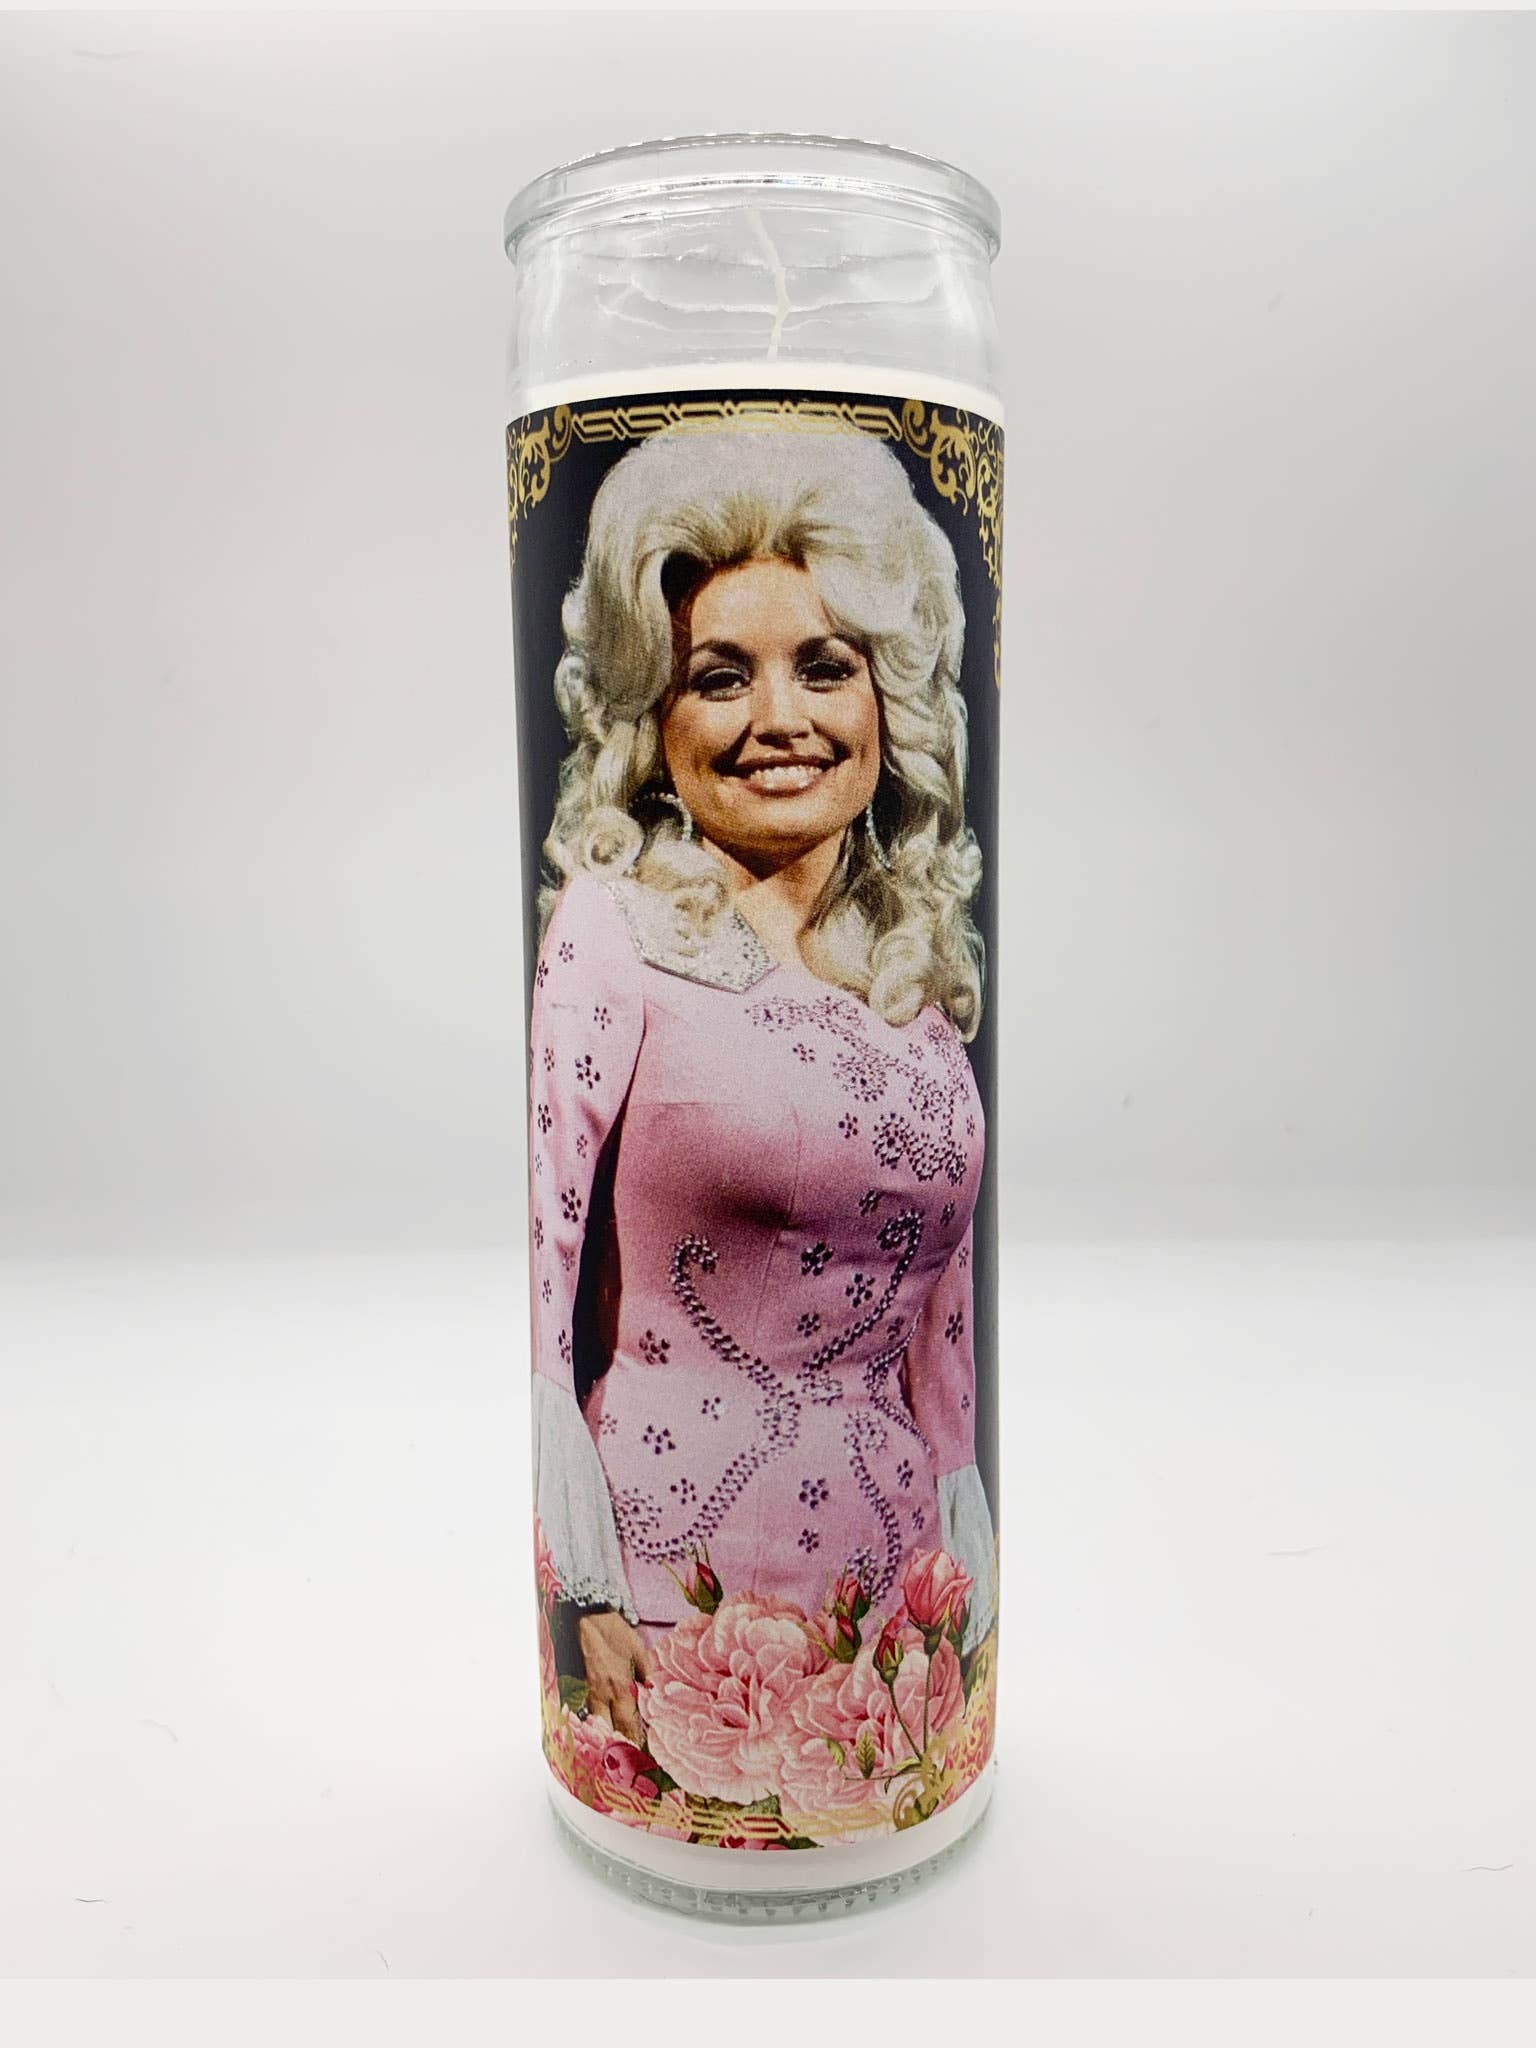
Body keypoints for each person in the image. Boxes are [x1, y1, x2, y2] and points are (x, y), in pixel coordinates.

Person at [526, 423, 997, 1746]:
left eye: (825, 668)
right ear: (654, 714)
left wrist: (967, 1584)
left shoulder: (912, 985)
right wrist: (581, 1593)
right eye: (720, 676)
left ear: (886, 699)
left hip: (893, 1620)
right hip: (667, 1611)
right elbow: (539, 1276)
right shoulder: (614, 933)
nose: (780, 720)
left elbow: (945, 1345)